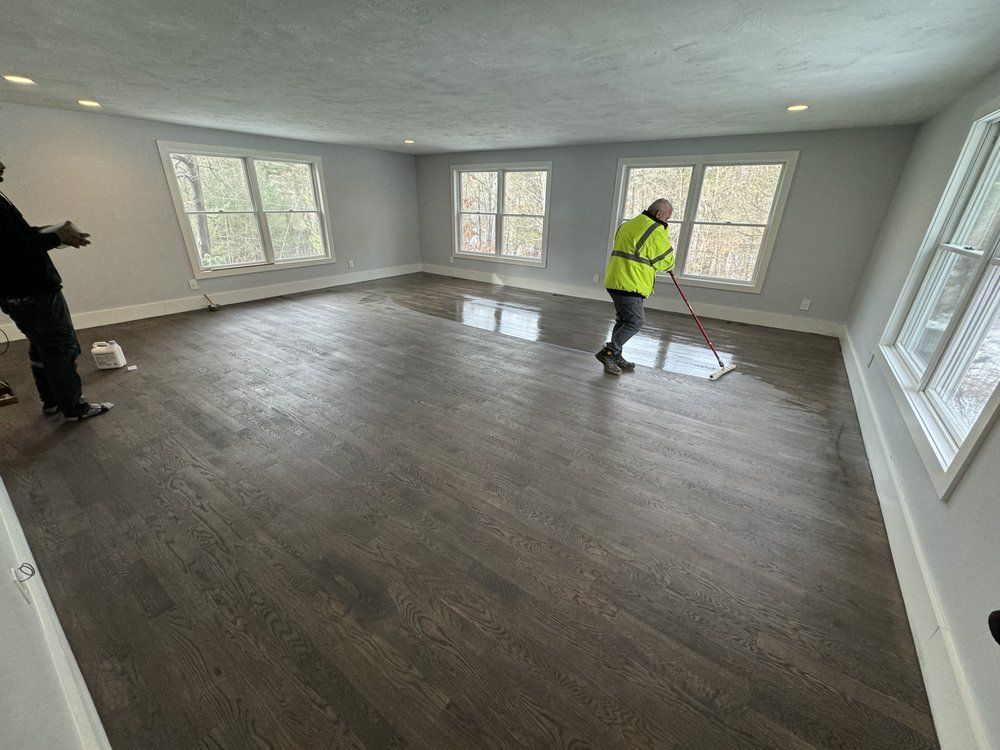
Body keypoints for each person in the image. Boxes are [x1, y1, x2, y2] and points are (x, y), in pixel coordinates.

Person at [0, 157, 113, 421]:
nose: (3, 169)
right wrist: (55, 237)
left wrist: (53, 231)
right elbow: (14, 249)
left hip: (14, 293)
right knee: (61, 348)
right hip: (34, 291)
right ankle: (74, 408)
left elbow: (18, 236)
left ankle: (51, 400)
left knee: (41, 346)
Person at [596, 198, 676, 375]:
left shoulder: (628, 224)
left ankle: (616, 356)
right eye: (667, 218)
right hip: (630, 282)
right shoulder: (655, 229)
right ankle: (607, 353)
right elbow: (663, 262)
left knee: (624, 320)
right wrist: (671, 265)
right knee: (635, 321)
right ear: (659, 214)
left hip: (615, 279)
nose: (666, 222)